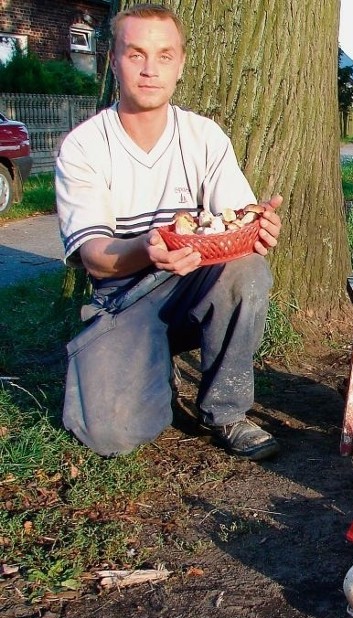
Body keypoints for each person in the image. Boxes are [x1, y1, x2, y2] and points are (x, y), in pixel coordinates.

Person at [55, 3, 282, 461]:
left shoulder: (204, 136)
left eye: (163, 55)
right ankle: (150, 367)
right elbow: (96, 255)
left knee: (248, 269)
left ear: (180, 64)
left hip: (190, 288)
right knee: (111, 436)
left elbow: (234, 219)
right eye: (135, 54)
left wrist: (258, 225)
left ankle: (227, 412)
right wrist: (147, 248)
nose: (149, 69)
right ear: (113, 60)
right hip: (123, 298)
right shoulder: (84, 146)